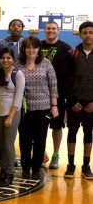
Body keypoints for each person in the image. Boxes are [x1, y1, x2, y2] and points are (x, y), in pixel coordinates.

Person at [16, 36, 58, 179]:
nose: (31, 50)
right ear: (24, 49)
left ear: (39, 49)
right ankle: (25, 167)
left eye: (34, 47)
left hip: (43, 108)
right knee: (24, 140)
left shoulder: (46, 63)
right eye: (28, 47)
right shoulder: (17, 64)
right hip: (24, 109)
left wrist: (54, 105)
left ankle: (36, 168)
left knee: (40, 139)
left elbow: (53, 85)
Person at [0, 47, 25, 185]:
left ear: (13, 59)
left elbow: (18, 97)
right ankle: (3, 171)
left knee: (8, 144)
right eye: (3, 58)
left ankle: (9, 173)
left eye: (8, 58)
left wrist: (10, 116)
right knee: (0, 144)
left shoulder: (18, 74)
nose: (5, 60)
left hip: (11, 114)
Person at [64, 21, 93, 179]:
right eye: (85, 32)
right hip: (75, 103)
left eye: (91, 32)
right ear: (80, 34)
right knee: (72, 133)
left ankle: (86, 166)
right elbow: (67, 80)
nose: (88, 35)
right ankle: (70, 165)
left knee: (89, 134)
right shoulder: (72, 53)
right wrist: (72, 101)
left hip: (91, 104)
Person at [41, 21, 71, 169]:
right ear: (44, 30)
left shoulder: (66, 49)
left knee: (57, 127)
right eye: (48, 28)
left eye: (53, 29)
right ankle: (41, 153)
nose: (51, 31)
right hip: (38, 95)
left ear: (58, 31)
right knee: (39, 127)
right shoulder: (36, 46)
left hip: (58, 95)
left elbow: (71, 73)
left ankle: (56, 155)